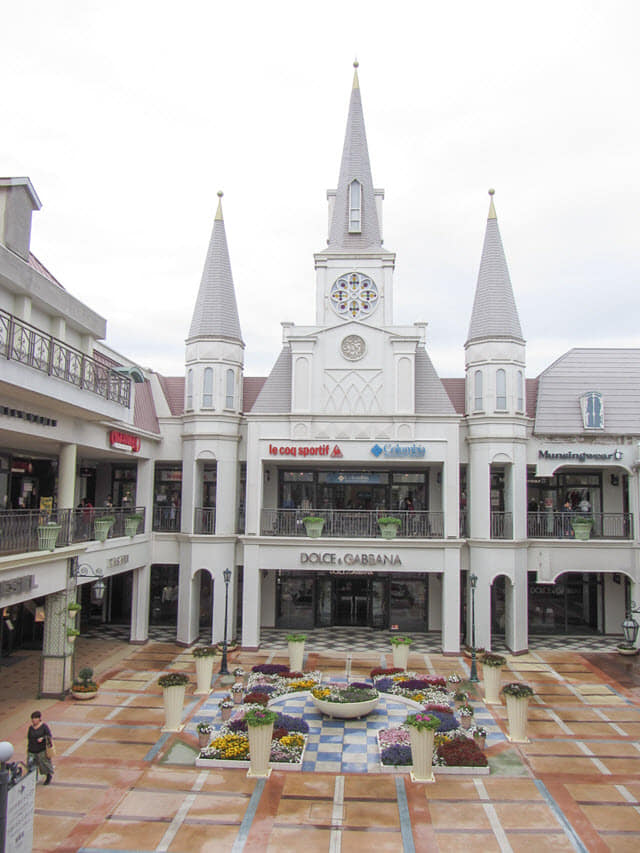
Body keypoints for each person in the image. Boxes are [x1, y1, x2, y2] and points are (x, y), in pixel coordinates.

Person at [27, 710, 55, 784]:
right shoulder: (31, 728)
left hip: (41, 750)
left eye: (35, 718)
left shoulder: (44, 727)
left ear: (39, 719)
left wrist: (42, 738)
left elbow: (49, 736)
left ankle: (48, 776)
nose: (33, 720)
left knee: (44, 764)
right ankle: (32, 779)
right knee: (31, 766)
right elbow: (29, 738)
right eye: (32, 719)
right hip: (32, 750)